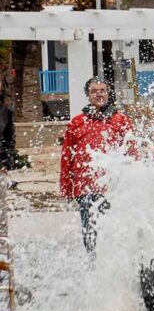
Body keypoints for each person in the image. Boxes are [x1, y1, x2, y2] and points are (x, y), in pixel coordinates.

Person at [60, 77, 135, 254]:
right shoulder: (76, 122)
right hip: (84, 186)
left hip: (112, 185)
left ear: (108, 94)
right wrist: (66, 186)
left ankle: (112, 261)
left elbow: (132, 150)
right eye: (94, 91)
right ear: (88, 95)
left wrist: (134, 177)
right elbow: (66, 156)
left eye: (102, 90)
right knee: (89, 229)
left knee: (111, 227)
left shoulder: (120, 120)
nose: (99, 94)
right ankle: (93, 264)